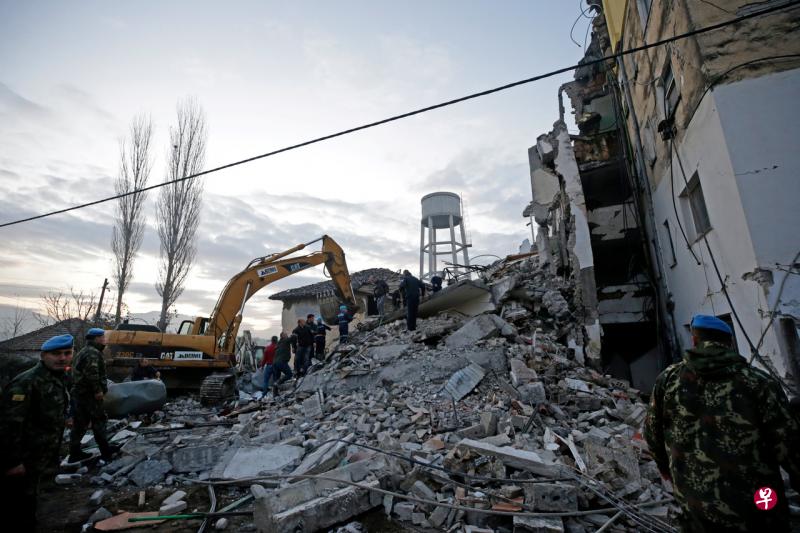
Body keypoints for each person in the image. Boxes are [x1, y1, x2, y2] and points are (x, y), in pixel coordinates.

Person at [644, 315, 800, 532]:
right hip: (758, 503)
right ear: (729, 342)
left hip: (695, 503)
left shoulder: (668, 379)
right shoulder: (757, 381)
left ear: (694, 341)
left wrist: (665, 468)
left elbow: (652, 433)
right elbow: (788, 443)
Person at [0, 334, 73, 532]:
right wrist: (13, 462)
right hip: (25, 457)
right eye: (56, 354)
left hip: (43, 454)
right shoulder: (26, 382)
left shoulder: (58, 378)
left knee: (34, 501)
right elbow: (8, 425)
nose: (62, 358)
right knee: (18, 506)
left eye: (67, 353)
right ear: (43, 356)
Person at [69, 328, 119, 463]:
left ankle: (74, 452)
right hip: (89, 395)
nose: (104, 340)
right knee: (99, 421)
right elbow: (92, 373)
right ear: (96, 339)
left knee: (80, 423)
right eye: (102, 337)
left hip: (80, 394)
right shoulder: (92, 353)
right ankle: (105, 452)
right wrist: (97, 391)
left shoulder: (85, 351)